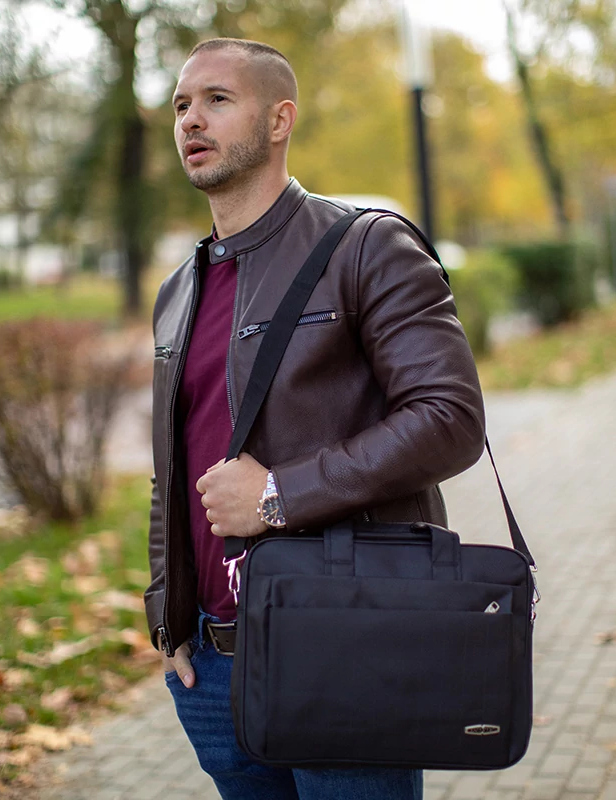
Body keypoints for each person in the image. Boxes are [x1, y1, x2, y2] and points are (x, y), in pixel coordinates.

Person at [145, 36, 486, 800]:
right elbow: (171, 471)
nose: (191, 119)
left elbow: (451, 417)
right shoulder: (178, 291)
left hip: (343, 643)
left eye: (217, 100)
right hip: (212, 667)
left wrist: (278, 495)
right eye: (181, 105)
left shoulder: (366, 247)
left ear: (279, 120)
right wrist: (166, 622)